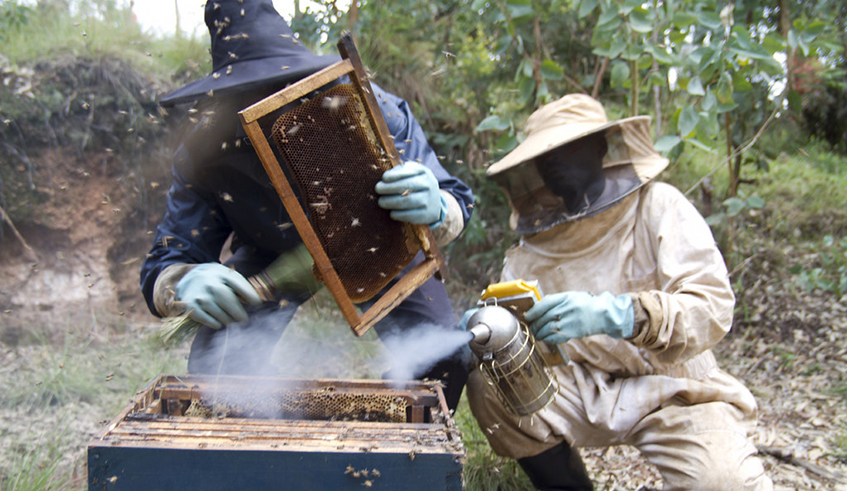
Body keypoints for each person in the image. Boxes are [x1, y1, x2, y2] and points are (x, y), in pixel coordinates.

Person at [140, 0, 474, 411]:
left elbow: (454, 196)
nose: (264, 103)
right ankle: (242, 453)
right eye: (245, 92)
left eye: (275, 86)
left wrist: (437, 206)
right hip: (271, 254)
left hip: (371, 235)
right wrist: (182, 281)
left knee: (444, 356)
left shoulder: (369, 106)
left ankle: (411, 451)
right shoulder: (203, 152)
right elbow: (171, 253)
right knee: (218, 370)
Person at [464, 94, 772, 490]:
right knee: (493, 386)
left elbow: (711, 307)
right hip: (583, 387)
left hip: (676, 387)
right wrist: (494, 331)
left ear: (600, 146)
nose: (552, 161)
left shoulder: (659, 206)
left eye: (566, 147)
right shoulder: (532, 249)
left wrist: (620, 315)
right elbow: (528, 344)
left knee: (724, 483)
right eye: (544, 155)